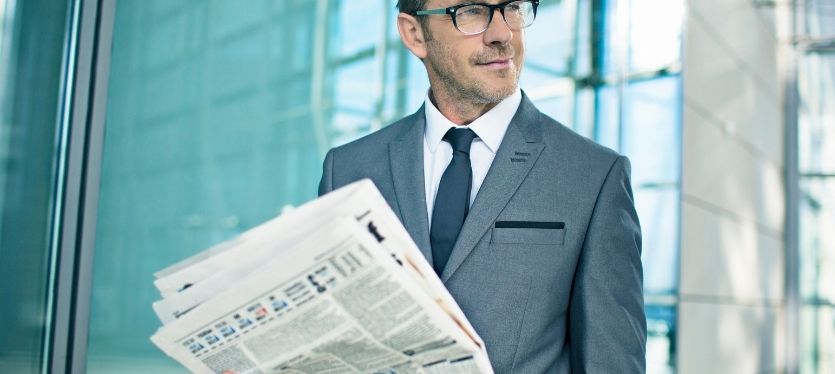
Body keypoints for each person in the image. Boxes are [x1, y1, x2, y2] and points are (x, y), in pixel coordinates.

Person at [318, 0, 646, 372]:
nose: (503, 33)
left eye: (513, 7)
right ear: (414, 34)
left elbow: (611, 363)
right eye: (472, 11)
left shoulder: (593, 176)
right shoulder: (347, 170)